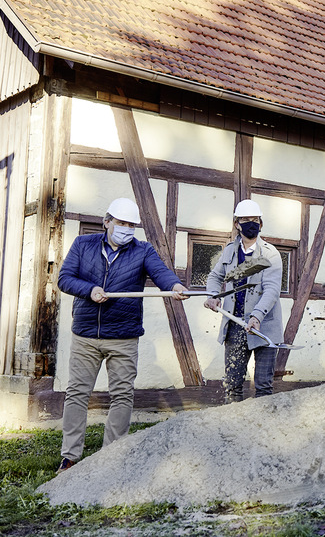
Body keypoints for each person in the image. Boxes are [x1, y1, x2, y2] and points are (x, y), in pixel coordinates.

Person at [56, 198, 188, 472]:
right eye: (121, 223)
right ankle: (70, 457)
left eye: (131, 225)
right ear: (107, 222)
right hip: (86, 334)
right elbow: (65, 278)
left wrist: (174, 285)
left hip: (124, 336)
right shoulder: (83, 245)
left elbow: (161, 273)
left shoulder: (142, 250)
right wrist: (90, 290)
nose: (126, 229)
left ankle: (112, 456)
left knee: (122, 395)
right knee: (77, 393)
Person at [205, 199, 283, 402]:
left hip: (263, 325)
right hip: (235, 323)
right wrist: (213, 295)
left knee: (263, 386)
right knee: (232, 384)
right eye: (245, 220)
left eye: (255, 219)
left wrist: (257, 316)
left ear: (261, 223)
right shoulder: (230, 251)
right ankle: (233, 428)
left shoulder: (270, 253)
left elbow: (272, 290)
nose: (251, 223)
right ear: (236, 224)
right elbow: (215, 277)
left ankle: (261, 428)